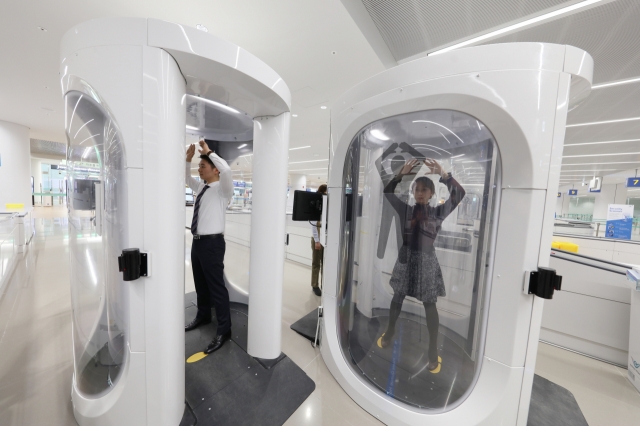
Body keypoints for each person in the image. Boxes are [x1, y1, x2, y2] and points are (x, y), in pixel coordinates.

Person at [378, 158, 465, 373]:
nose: (420, 192)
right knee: (397, 296)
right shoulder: (406, 210)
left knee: (429, 304)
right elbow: (388, 192)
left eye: (425, 190)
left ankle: (432, 349)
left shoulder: (438, 212)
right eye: (417, 189)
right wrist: (401, 176)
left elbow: (459, 194)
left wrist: (445, 175)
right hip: (407, 258)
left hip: (426, 260)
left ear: (432, 194)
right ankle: (390, 331)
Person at [184, 139, 234, 355]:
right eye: (199, 166)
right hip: (197, 243)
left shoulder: (223, 190)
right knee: (200, 283)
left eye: (202, 166)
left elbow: (228, 171)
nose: (199, 169)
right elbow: (186, 178)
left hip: (213, 243)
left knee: (216, 287)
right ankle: (203, 315)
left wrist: (209, 152)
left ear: (214, 169)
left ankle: (224, 329)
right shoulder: (202, 187)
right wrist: (187, 161)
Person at [310, 184, 327, 296]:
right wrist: (317, 240)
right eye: (326, 193)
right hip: (317, 239)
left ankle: (324, 284)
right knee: (316, 263)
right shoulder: (316, 205)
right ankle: (315, 285)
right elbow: (313, 225)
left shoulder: (326, 206)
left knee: (325, 263)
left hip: (325, 239)